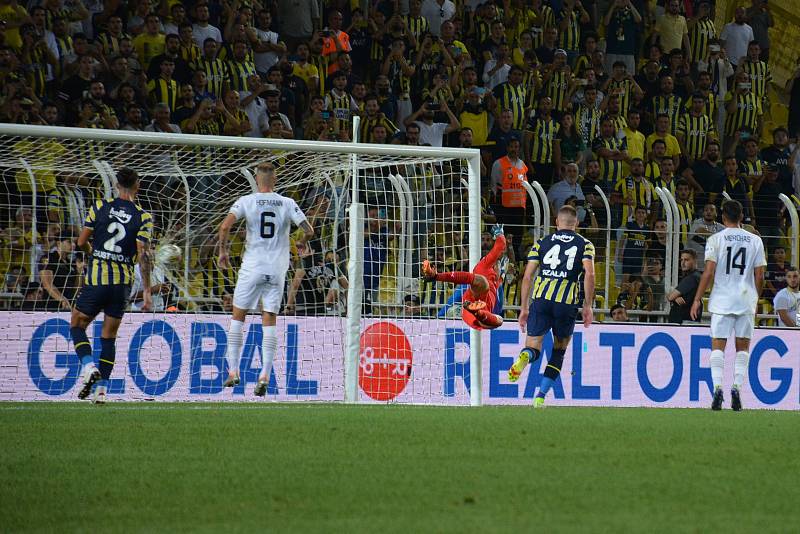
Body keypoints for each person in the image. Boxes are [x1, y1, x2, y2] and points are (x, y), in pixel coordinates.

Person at [217, 163, 314, 396]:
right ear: (275, 179)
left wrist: (223, 252)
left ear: (257, 180)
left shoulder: (246, 201)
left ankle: (233, 371)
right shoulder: (287, 202)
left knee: (238, 316)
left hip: (252, 267)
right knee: (269, 319)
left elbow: (224, 227)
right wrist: (300, 242)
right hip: (277, 269)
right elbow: (309, 229)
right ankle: (265, 375)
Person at [70, 168, 153, 404]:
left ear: (116, 185)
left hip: (98, 278)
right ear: (137, 185)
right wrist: (146, 291)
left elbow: (81, 241)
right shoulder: (143, 216)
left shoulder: (99, 206)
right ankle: (102, 391)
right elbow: (143, 256)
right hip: (122, 284)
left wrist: (94, 253)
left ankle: (88, 367)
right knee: (109, 337)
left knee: (77, 324)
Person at [510, 205, 595, 408]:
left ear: (557, 222)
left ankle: (525, 356)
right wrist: (588, 305)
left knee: (533, 345)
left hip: (541, 299)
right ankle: (540, 397)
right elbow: (590, 274)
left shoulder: (542, 243)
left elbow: (528, 275)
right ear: (576, 224)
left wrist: (524, 308)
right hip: (566, 304)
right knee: (559, 351)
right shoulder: (585, 244)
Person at [690, 200, 767, 411]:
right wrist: (755, 296)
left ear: (723, 217)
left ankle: (717, 388)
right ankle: (736, 388)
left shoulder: (716, 239)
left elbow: (708, 272)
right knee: (742, 348)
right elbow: (760, 275)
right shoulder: (755, 240)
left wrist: (697, 298)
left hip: (722, 300)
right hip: (745, 300)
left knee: (718, 346)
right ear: (742, 216)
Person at [421, 224, 507, 330]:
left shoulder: (498, 285)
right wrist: (499, 234)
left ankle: (475, 312)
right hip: (471, 298)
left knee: (497, 321)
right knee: (480, 282)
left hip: (476, 314)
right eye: (498, 265)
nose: (499, 268)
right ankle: (444, 313)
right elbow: (500, 247)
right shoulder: (484, 266)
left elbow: (498, 309)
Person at [667, 249, 702, 323]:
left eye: (686, 260)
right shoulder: (695, 276)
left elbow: (670, 297)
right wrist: (676, 297)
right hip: (686, 320)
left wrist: (674, 297)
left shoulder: (692, 277)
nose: (683, 263)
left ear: (695, 261)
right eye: (681, 260)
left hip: (685, 321)